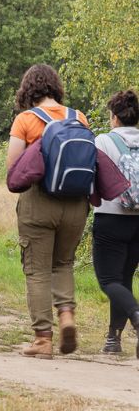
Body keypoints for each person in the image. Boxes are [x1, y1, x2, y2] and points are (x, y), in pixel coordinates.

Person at [5, 64, 91, 358]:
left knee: (37, 271)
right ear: (56, 87)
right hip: (76, 203)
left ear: (28, 89)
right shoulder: (78, 117)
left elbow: (13, 169)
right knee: (64, 264)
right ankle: (67, 316)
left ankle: (43, 339)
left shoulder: (25, 120)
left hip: (39, 202)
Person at [91, 90, 139, 358]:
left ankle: (135, 314)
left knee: (109, 280)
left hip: (110, 217)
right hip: (138, 222)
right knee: (124, 278)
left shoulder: (103, 141)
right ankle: (113, 339)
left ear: (114, 117)